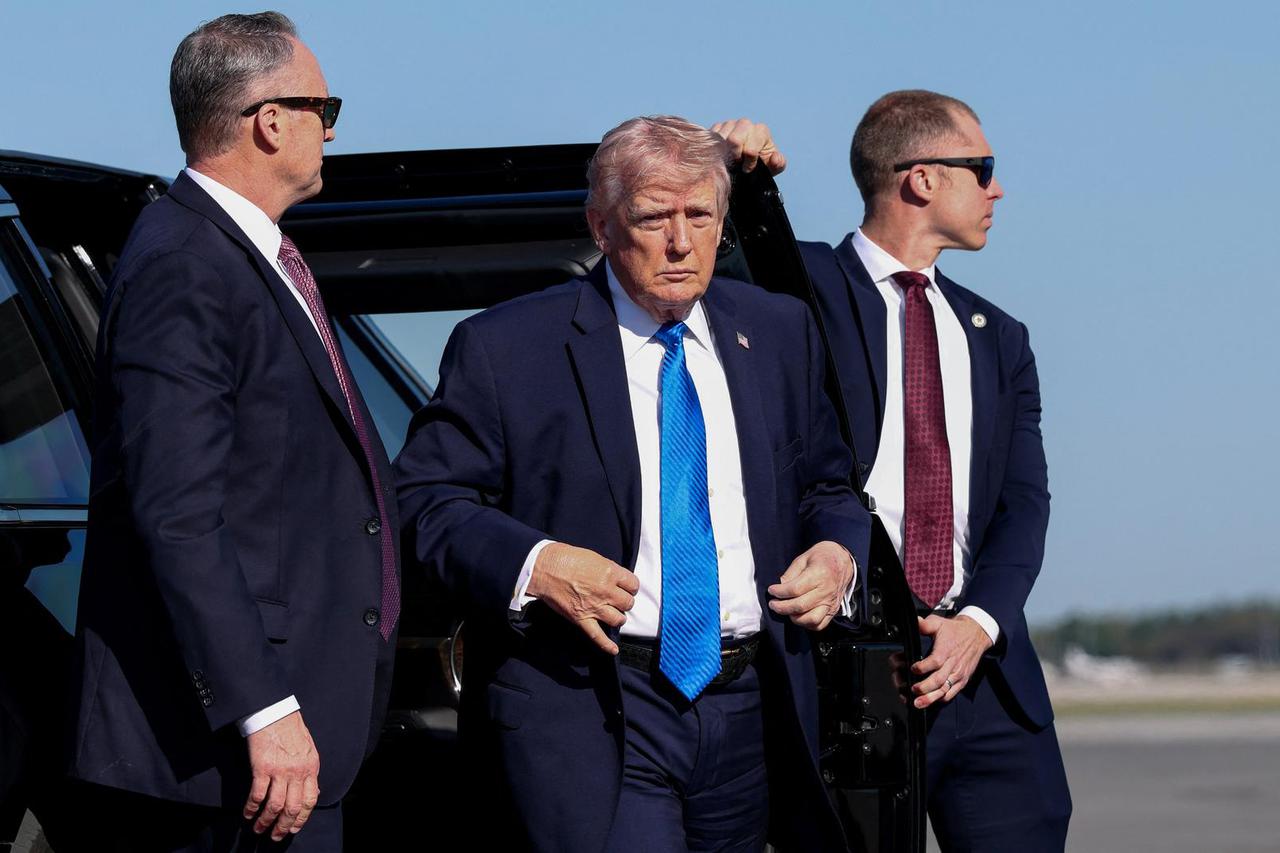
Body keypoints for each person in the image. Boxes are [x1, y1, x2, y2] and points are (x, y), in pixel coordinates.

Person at [394, 115, 869, 852]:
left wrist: (838, 552)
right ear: (602, 224)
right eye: (653, 217)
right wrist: (537, 564)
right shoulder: (506, 346)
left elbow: (828, 486)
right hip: (597, 704)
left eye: (700, 216)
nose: (680, 242)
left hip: (749, 704)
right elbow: (424, 503)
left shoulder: (779, 332)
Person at [66, 12, 399, 850]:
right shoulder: (188, 260)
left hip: (289, 742)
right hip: (234, 760)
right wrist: (265, 707)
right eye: (325, 109)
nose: (329, 130)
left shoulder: (252, 256)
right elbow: (177, 511)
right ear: (271, 120)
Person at [719, 91, 1072, 850]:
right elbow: (714, 255)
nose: (997, 189)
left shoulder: (1000, 338)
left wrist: (978, 625)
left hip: (984, 678)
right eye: (982, 169)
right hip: (848, 667)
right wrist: (733, 169)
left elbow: (1024, 506)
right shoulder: (804, 290)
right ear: (921, 179)